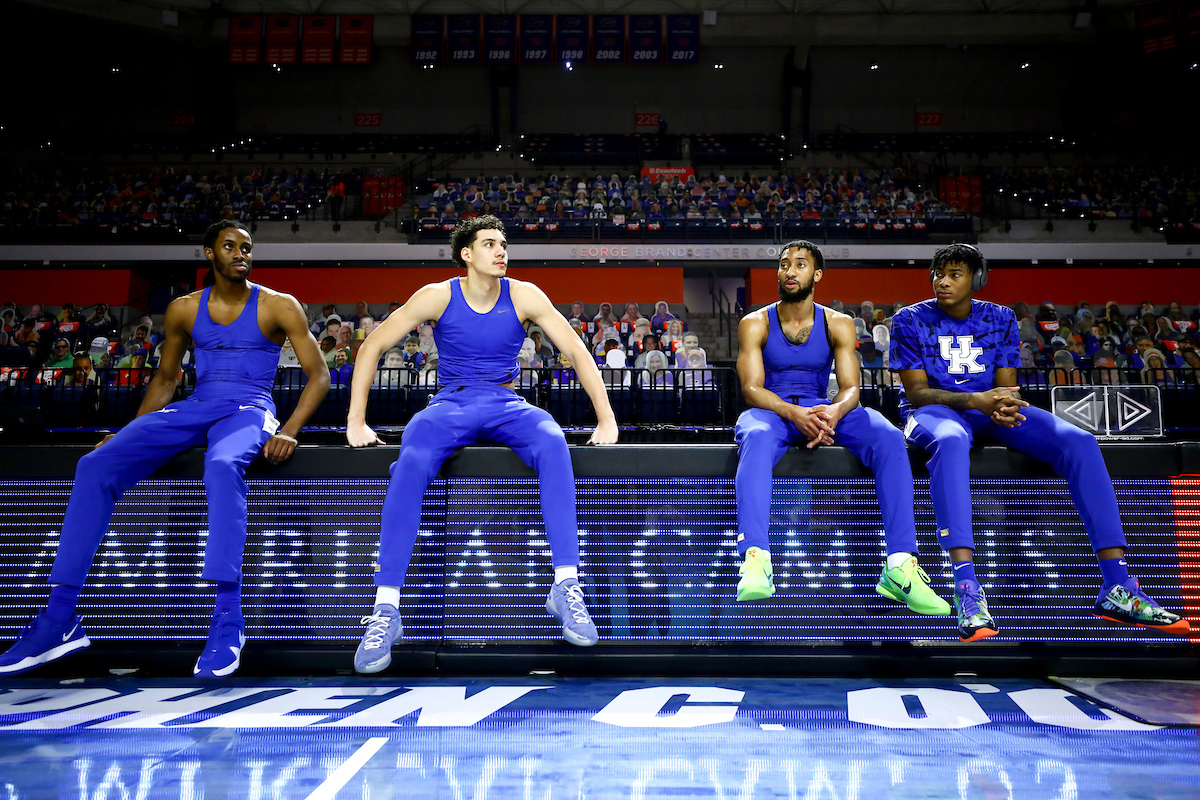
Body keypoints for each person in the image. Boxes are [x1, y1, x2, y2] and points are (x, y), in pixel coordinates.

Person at [0, 220, 331, 677]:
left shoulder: (279, 305)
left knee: (220, 465)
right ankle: (58, 620)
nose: (241, 254)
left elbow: (320, 374)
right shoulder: (182, 309)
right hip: (198, 406)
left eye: (247, 248)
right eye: (230, 246)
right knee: (95, 464)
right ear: (208, 254)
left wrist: (289, 429)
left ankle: (228, 622)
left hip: (250, 409)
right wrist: (130, 432)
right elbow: (165, 380)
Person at [345, 215, 619, 674]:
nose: (501, 251)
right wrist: (356, 420)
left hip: (504, 401)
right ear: (466, 254)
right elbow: (371, 345)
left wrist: (606, 417)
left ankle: (566, 586)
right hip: (450, 404)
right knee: (410, 460)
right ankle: (386, 609)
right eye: (489, 243)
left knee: (553, 441)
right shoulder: (436, 294)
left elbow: (576, 351)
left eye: (504, 244)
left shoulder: (525, 295)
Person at [890, 243, 1187, 641]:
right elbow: (918, 393)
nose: (943, 281)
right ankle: (967, 590)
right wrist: (976, 400)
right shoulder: (909, 318)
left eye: (954, 274)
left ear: (975, 279)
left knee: (1080, 442)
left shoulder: (1001, 317)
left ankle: (1117, 586)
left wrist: (1003, 404)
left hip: (990, 409)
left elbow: (1006, 386)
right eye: (938, 274)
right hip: (933, 411)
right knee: (952, 440)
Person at [733, 240, 950, 616]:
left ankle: (900, 566)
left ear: (816, 274)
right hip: (774, 411)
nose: (789, 270)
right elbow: (752, 389)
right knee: (753, 434)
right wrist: (793, 414)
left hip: (823, 408)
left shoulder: (838, 322)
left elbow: (851, 388)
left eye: (800, 264)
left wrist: (831, 414)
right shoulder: (754, 322)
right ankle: (756, 560)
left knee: (885, 435)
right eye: (784, 264)